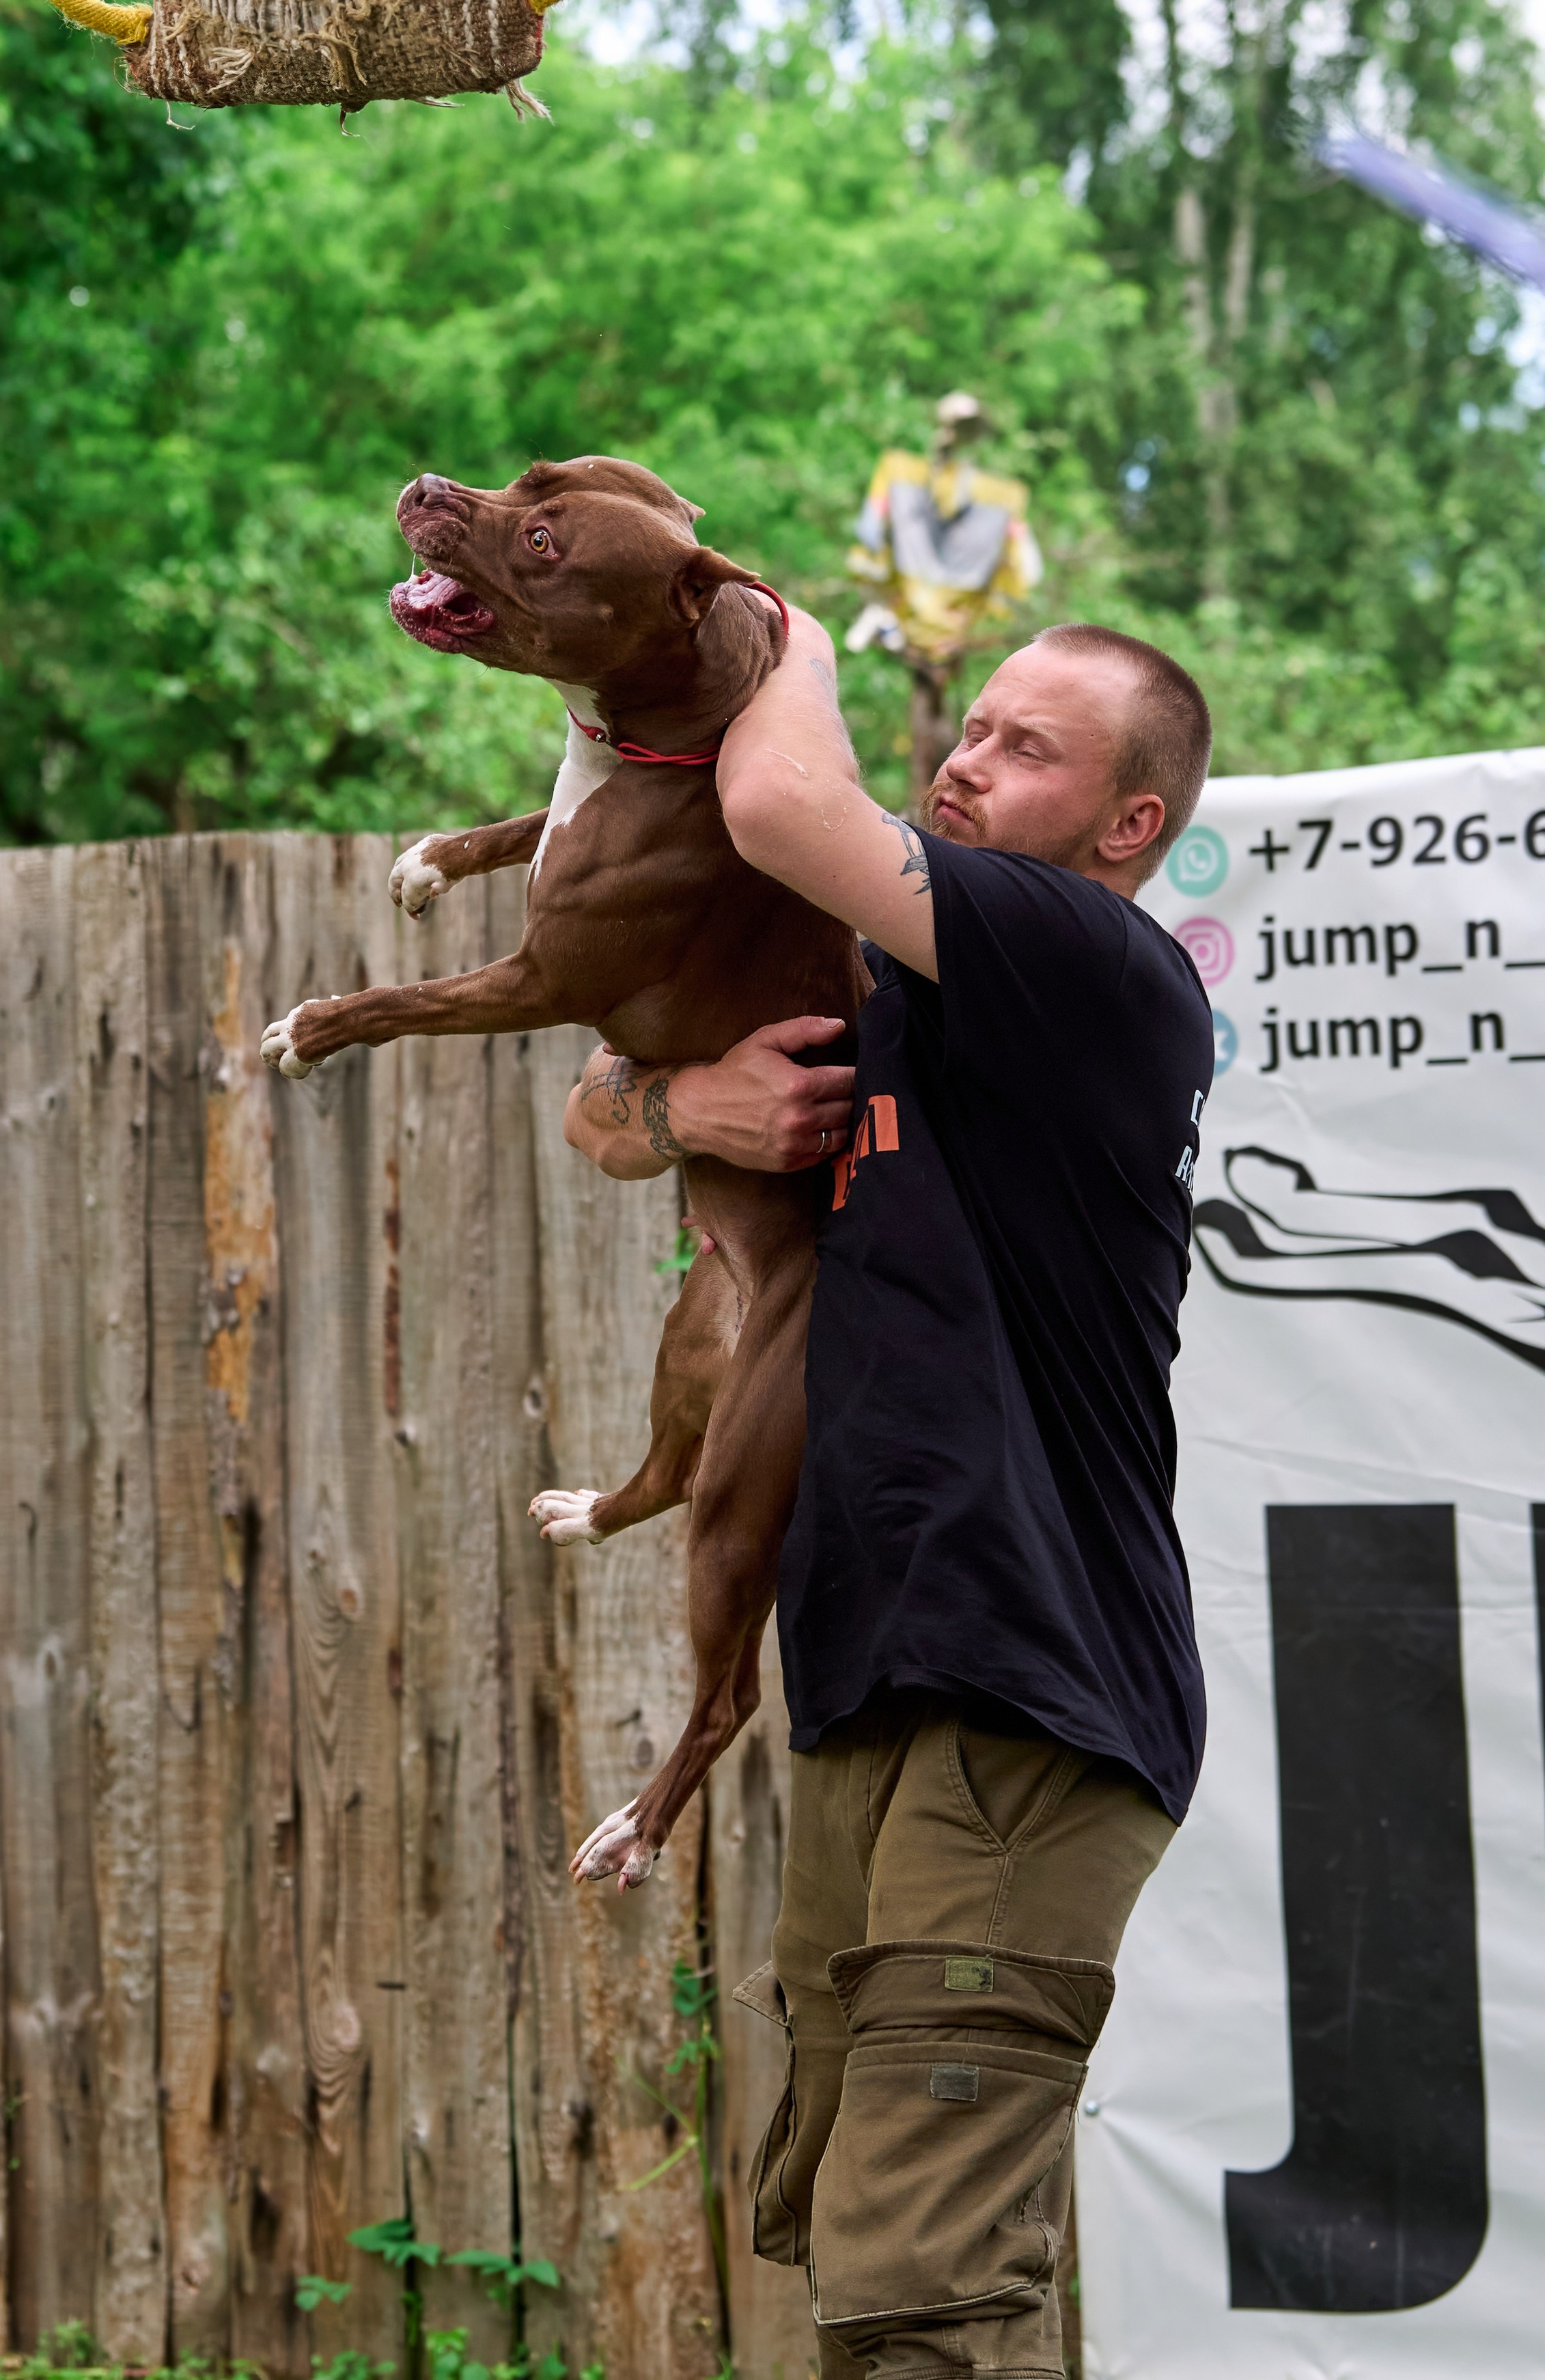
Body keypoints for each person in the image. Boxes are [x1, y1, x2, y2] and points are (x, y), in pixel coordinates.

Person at [563, 611, 1215, 2379]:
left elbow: (778, 802)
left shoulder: (1092, 965)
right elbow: (592, 1108)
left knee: (923, 2298)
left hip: (1028, 1694)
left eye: (1024, 748)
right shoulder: (900, 1006)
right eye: (972, 723)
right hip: (879, 1689)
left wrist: (777, 639)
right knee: (875, 2256)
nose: (967, 760)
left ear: (1126, 827)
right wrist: (688, 1103)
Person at [846, 391, 1044, 796]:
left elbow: (870, 537)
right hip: (931, 627)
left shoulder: (912, 477)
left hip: (933, 628)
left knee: (949, 741)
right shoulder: (990, 495)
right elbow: (1026, 568)